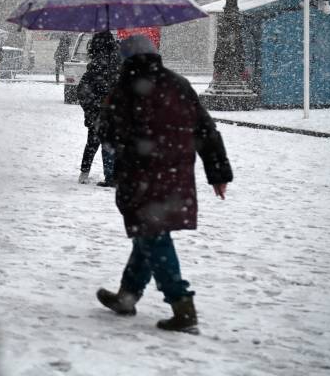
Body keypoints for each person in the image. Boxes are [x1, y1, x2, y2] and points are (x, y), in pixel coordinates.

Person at [95, 35, 233, 335]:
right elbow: (205, 129)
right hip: (175, 176)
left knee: (154, 239)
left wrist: (105, 113)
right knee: (148, 236)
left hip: (140, 178)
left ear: (125, 60)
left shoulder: (125, 89)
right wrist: (218, 173)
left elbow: (107, 135)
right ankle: (127, 296)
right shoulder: (179, 84)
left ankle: (182, 306)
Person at [76, 31, 121, 186]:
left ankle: (84, 173)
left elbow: (82, 90)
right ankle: (111, 176)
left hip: (98, 111)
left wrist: (91, 108)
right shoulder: (119, 61)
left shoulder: (96, 64)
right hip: (115, 110)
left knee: (92, 142)